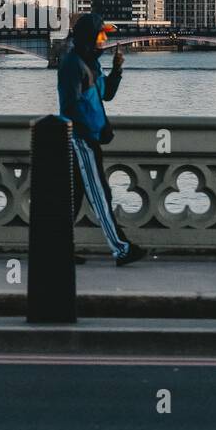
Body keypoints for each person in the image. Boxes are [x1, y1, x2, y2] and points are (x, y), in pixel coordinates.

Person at [57, 13, 148, 266]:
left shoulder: (92, 64)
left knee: (72, 200)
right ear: (88, 37)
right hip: (80, 140)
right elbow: (70, 106)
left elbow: (106, 95)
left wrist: (117, 68)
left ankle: (57, 250)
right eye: (101, 34)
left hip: (90, 138)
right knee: (100, 196)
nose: (105, 38)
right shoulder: (72, 65)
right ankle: (121, 249)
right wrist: (89, 131)